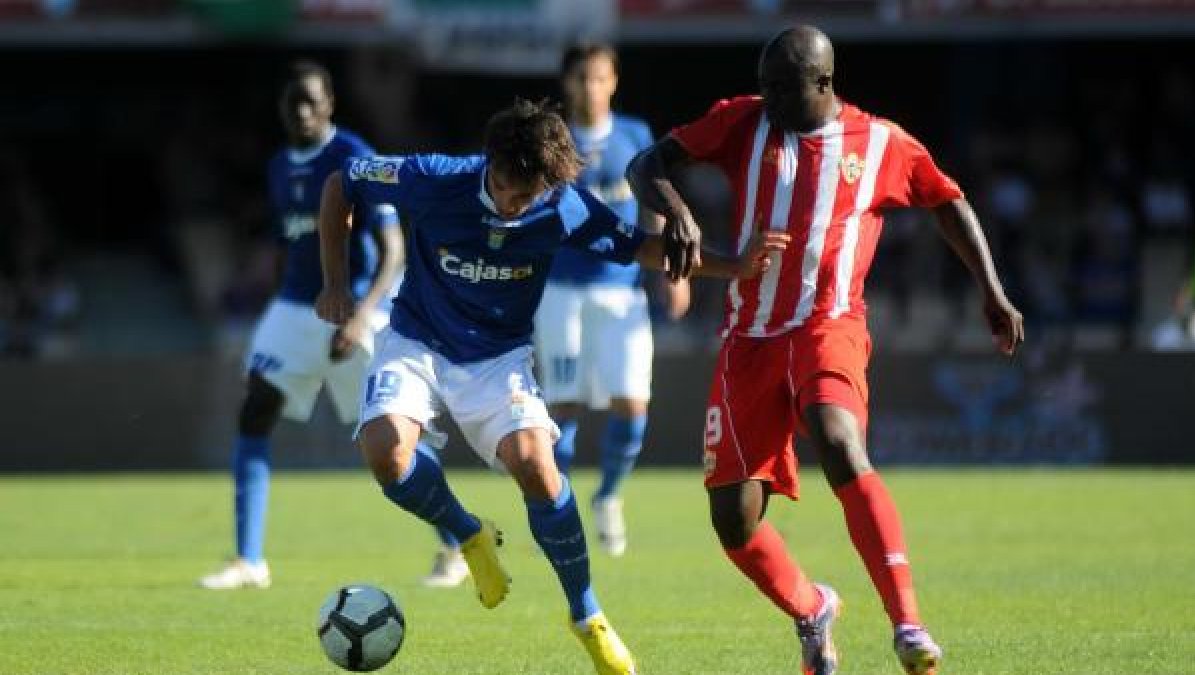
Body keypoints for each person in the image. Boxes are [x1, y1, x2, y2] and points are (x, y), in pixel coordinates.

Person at [315, 98, 785, 674]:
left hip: (498, 358)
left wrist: (735, 265)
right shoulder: (434, 177)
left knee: (538, 464)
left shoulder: (560, 206)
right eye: (511, 189)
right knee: (385, 454)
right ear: (490, 161)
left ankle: (587, 615)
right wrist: (335, 282)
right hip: (416, 340)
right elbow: (342, 183)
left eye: (529, 196)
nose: (517, 206)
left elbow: (642, 247)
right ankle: (468, 534)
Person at [627, 25, 1024, 675]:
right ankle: (813, 608)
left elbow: (947, 201)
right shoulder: (741, 121)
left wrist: (992, 289)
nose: (769, 100)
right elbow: (646, 164)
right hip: (749, 336)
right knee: (734, 518)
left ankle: (909, 624)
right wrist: (676, 211)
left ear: (823, 84)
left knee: (840, 441)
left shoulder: (879, 143)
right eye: (764, 86)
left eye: (782, 89)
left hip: (827, 325)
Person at [198, 60, 432, 589]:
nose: (301, 112)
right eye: (292, 103)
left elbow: (392, 249)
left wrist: (363, 314)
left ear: (329, 105)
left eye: (311, 101)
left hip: (360, 307)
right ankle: (248, 560)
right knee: (256, 406)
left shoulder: (354, 156)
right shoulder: (280, 165)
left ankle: (455, 544)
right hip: (296, 305)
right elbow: (290, 243)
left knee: (392, 443)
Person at [534, 41, 689, 557]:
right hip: (560, 291)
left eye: (599, 78)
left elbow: (654, 206)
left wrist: (672, 267)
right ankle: (563, 512)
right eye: (581, 79)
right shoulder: (549, 140)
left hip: (621, 292)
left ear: (614, 81)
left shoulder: (635, 136)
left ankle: (608, 496)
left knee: (633, 404)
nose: (590, 88)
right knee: (566, 407)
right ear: (566, 83)